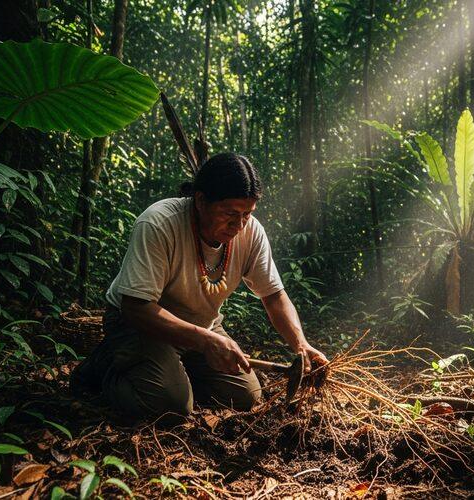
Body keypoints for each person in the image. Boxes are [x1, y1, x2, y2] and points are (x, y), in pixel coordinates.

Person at [71, 153, 327, 420]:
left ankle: (170, 371)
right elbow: (136, 308)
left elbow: (273, 296)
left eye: (246, 214)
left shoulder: (251, 232)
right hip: (139, 325)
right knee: (171, 407)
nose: (239, 225)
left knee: (245, 397)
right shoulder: (159, 223)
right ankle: (104, 368)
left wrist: (301, 345)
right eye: (229, 214)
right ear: (201, 201)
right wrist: (205, 341)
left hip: (201, 326)